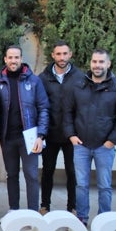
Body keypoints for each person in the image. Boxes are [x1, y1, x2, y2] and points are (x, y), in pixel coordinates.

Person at [63, 48, 116, 226]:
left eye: (101, 62)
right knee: (81, 185)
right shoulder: (78, 85)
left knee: (104, 186)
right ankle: (82, 218)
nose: (97, 65)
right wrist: (71, 135)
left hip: (104, 146)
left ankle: (104, 220)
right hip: (81, 145)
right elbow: (68, 112)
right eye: (94, 62)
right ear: (90, 63)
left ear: (108, 64)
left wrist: (112, 141)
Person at [0, 45, 49, 213]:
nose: (13, 61)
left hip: (29, 137)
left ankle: (32, 212)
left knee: (31, 175)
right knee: (12, 175)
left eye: (16, 57)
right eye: (10, 57)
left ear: (21, 59)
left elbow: (44, 108)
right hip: (8, 137)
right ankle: (13, 210)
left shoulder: (34, 81)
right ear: (5, 59)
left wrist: (41, 135)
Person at [38, 40, 84, 215]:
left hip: (72, 135)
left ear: (70, 54)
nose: (62, 57)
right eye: (58, 54)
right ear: (53, 56)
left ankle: (72, 207)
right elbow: (39, 105)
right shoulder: (43, 78)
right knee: (47, 171)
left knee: (72, 173)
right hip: (50, 133)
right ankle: (44, 206)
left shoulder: (80, 78)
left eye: (65, 54)